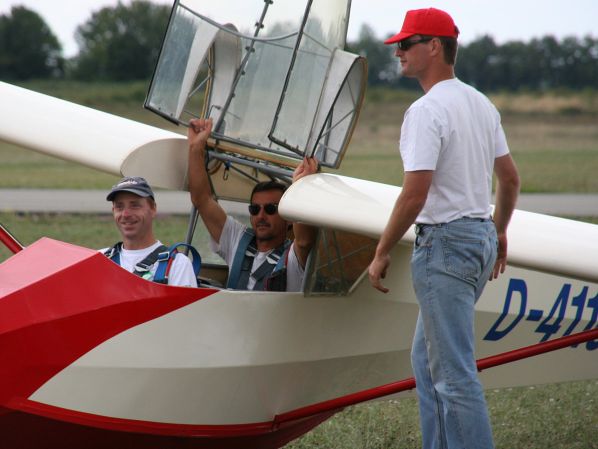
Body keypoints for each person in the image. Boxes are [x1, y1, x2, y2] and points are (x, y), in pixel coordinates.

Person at [368, 8, 520, 449]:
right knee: (426, 359)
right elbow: (509, 178)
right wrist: (498, 233)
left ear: (434, 46)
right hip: (477, 241)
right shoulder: (480, 102)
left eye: (406, 43)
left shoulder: (426, 110)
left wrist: (380, 253)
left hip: (445, 247)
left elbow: (415, 195)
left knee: (454, 375)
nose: (398, 51)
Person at [187, 118, 318, 291]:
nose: (261, 216)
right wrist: (195, 148)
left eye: (271, 209)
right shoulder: (237, 239)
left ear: (289, 220)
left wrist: (301, 186)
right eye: (255, 209)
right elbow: (201, 199)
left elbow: (304, 240)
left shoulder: (293, 258)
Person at [101, 176, 198, 287]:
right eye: (119, 207)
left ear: (153, 209)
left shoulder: (177, 265)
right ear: (113, 211)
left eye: (135, 205)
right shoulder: (99, 259)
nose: (126, 214)